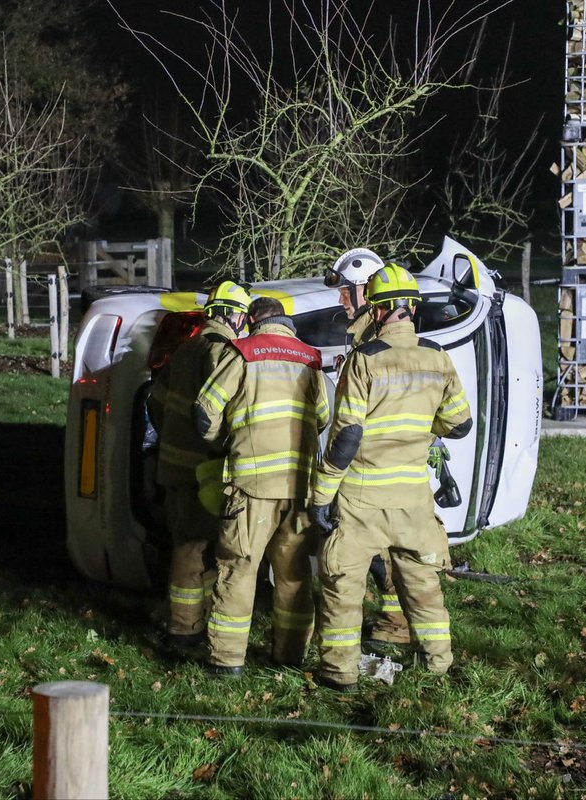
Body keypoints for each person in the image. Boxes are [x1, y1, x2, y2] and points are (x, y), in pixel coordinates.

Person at [310, 264, 473, 692]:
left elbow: (346, 437)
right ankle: (437, 664)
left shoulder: (366, 360)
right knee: (421, 583)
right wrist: (419, 428)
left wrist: (321, 494)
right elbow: (459, 425)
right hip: (413, 498)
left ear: (378, 311)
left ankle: (340, 675)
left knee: (343, 585)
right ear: (412, 307)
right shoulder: (438, 357)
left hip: (363, 497)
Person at [194, 296, 330, 676]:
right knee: (293, 574)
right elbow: (322, 418)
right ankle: (290, 656)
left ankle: (226, 662)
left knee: (239, 569)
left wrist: (225, 438)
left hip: (250, 487)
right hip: (299, 488)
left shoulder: (242, 353)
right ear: (287, 322)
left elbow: (205, 412)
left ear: (253, 319)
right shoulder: (310, 358)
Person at [149, 280, 251, 649]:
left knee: (190, 546)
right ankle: (185, 629)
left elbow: (155, 401)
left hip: (174, 466)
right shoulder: (220, 352)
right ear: (234, 315)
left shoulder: (186, 347)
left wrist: (171, 438)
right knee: (194, 550)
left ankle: (191, 622)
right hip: (202, 470)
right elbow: (218, 414)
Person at [325, 248, 412, 652]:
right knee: (377, 550)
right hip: (368, 459)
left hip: (378, 461)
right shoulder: (362, 334)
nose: (342, 299)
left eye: (347, 291)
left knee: (385, 550)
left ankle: (397, 621)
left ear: (366, 291)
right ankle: (393, 617)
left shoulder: (376, 338)